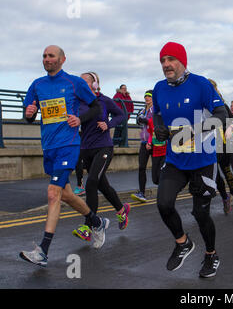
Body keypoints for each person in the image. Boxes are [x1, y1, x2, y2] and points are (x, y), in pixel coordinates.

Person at [20, 45, 109, 267]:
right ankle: (96, 222)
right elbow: (29, 115)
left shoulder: (74, 83)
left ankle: (43, 250)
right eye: (44, 56)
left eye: (51, 56)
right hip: (49, 147)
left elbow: (96, 108)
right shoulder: (37, 85)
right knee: (66, 195)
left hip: (68, 145)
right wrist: (29, 114)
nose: (47, 59)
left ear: (62, 59)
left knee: (53, 194)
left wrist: (80, 119)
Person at [152, 41, 227, 278]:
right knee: (163, 204)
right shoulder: (158, 88)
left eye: (171, 59)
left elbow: (222, 115)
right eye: (163, 60)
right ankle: (182, 242)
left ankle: (211, 254)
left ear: (183, 62)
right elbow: (158, 114)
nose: (166, 64)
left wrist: (193, 130)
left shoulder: (200, 84)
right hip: (175, 160)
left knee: (200, 213)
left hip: (203, 160)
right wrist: (160, 129)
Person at [72, 72, 130, 244]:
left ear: (95, 84)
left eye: (84, 82)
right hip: (86, 148)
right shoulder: (78, 101)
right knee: (102, 185)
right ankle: (121, 209)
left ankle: (89, 226)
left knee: (91, 182)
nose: (80, 84)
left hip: (104, 146)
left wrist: (108, 124)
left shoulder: (104, 100)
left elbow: (121, 115)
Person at [208, 78, 233, 214]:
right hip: (209, 143)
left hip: (224, 142)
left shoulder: (222, 105)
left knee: (225, 169)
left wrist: (228, 128)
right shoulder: (204, 104)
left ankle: (232, 191)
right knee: (214, 170)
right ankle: (224, 197)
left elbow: (232, 120)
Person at [131, 90, 154, 202]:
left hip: (155, 142)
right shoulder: (142, 110)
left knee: (157, 170)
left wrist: (144, 120)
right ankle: (142, 192)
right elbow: (138, 121)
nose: (147, 98)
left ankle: (165, 190)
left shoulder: (155, 109)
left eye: (149, 96)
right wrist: (143, 119)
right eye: (145, 96)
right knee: (141, 168)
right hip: (144, 142)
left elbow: (152, 122)